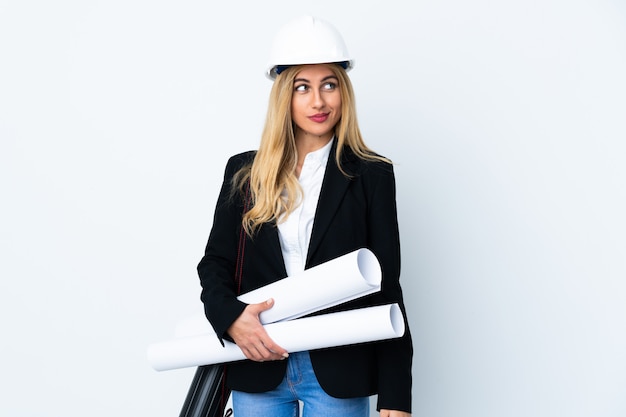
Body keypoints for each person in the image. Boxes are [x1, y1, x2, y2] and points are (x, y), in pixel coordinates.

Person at [197, 16, 413, 417]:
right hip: (258, 362)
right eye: (303, 87)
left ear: (343, 92)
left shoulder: (371, 174)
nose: (319, 101)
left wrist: (396, 396)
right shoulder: (244, 171)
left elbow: (386, 286)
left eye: (329, 84)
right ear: (284, 95)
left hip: (339, 368)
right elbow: (215, 264)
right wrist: (230, 319)